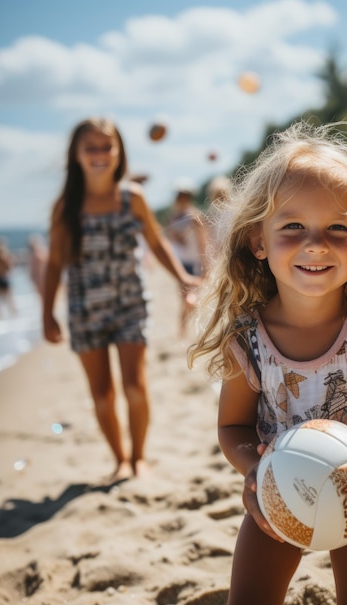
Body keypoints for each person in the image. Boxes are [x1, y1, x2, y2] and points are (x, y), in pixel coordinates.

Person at [189, 122, 347, 605]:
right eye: (293, 228)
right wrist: (253, 469)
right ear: (259, 240)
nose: (316, 245)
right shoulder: (249, 341)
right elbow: (231, 427)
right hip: (278, 494)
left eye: (337, 229)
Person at [43, 118, 200, 480]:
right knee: (102, 395)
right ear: (77, 155)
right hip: (85, 311)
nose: (99, 154)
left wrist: (182, 276)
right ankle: (120, 459)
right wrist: (47, 314)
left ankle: (140, 457)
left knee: (134, 387)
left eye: (106, 146)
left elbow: (157, 243)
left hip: (131, 304)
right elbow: (53, 263)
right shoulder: (66, 206)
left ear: (119, 152)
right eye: (91, 148)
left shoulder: (133, 198)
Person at [164, 183, 208, 336]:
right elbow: (170, 240)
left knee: (188, 296)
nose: (182, 199)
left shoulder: (194, 216)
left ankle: (184, 329)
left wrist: (205, 262)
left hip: (193, 260)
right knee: (184, 297)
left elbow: (202, 240)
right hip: (179, 262)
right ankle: (183, 331)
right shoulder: (172, 217)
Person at [27, 234, 48, 300]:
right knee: (43, 296)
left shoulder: (35, 254)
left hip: (41, 277)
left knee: (44, 296)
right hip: (40, 278)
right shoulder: (37, 253)